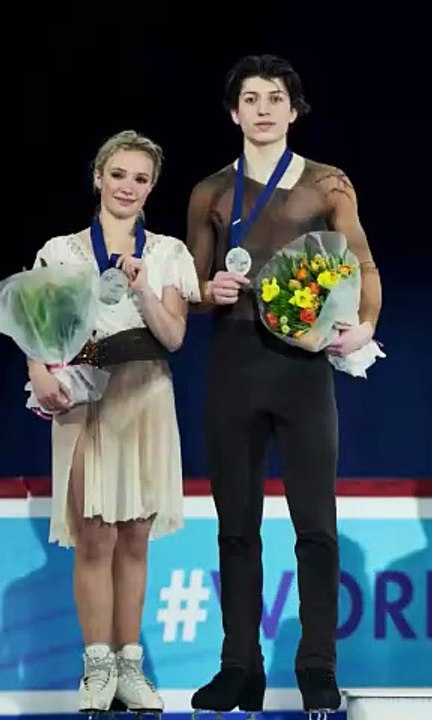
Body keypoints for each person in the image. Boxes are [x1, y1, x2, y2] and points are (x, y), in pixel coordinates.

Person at [184, 54, 381, 716]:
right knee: (235, 528)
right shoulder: (210, 192)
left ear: (294, 110)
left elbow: (362, 264)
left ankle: (318, 665)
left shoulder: (326, 183)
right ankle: (239, 665)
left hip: (301, 370)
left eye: (276, 98)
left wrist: (364, 323)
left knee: (315, 528)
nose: (263, 109)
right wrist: (205, 291)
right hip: (233, 366)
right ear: (234, 111)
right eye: (250, 98)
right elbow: (195, 286)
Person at [25, 130, 196, 714]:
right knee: (94, 537)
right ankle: (96, 666)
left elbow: (173, 335)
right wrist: (42, 375)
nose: (128, 187)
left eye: (140, 179)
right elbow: (37, 327)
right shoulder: (62, 251)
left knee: (135, 539)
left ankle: (131, 667)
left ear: (151, 188)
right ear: (99, 177)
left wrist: (145, 285)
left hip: (145, 398)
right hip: (82, 402)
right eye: (118, 174)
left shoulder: (168, 252)